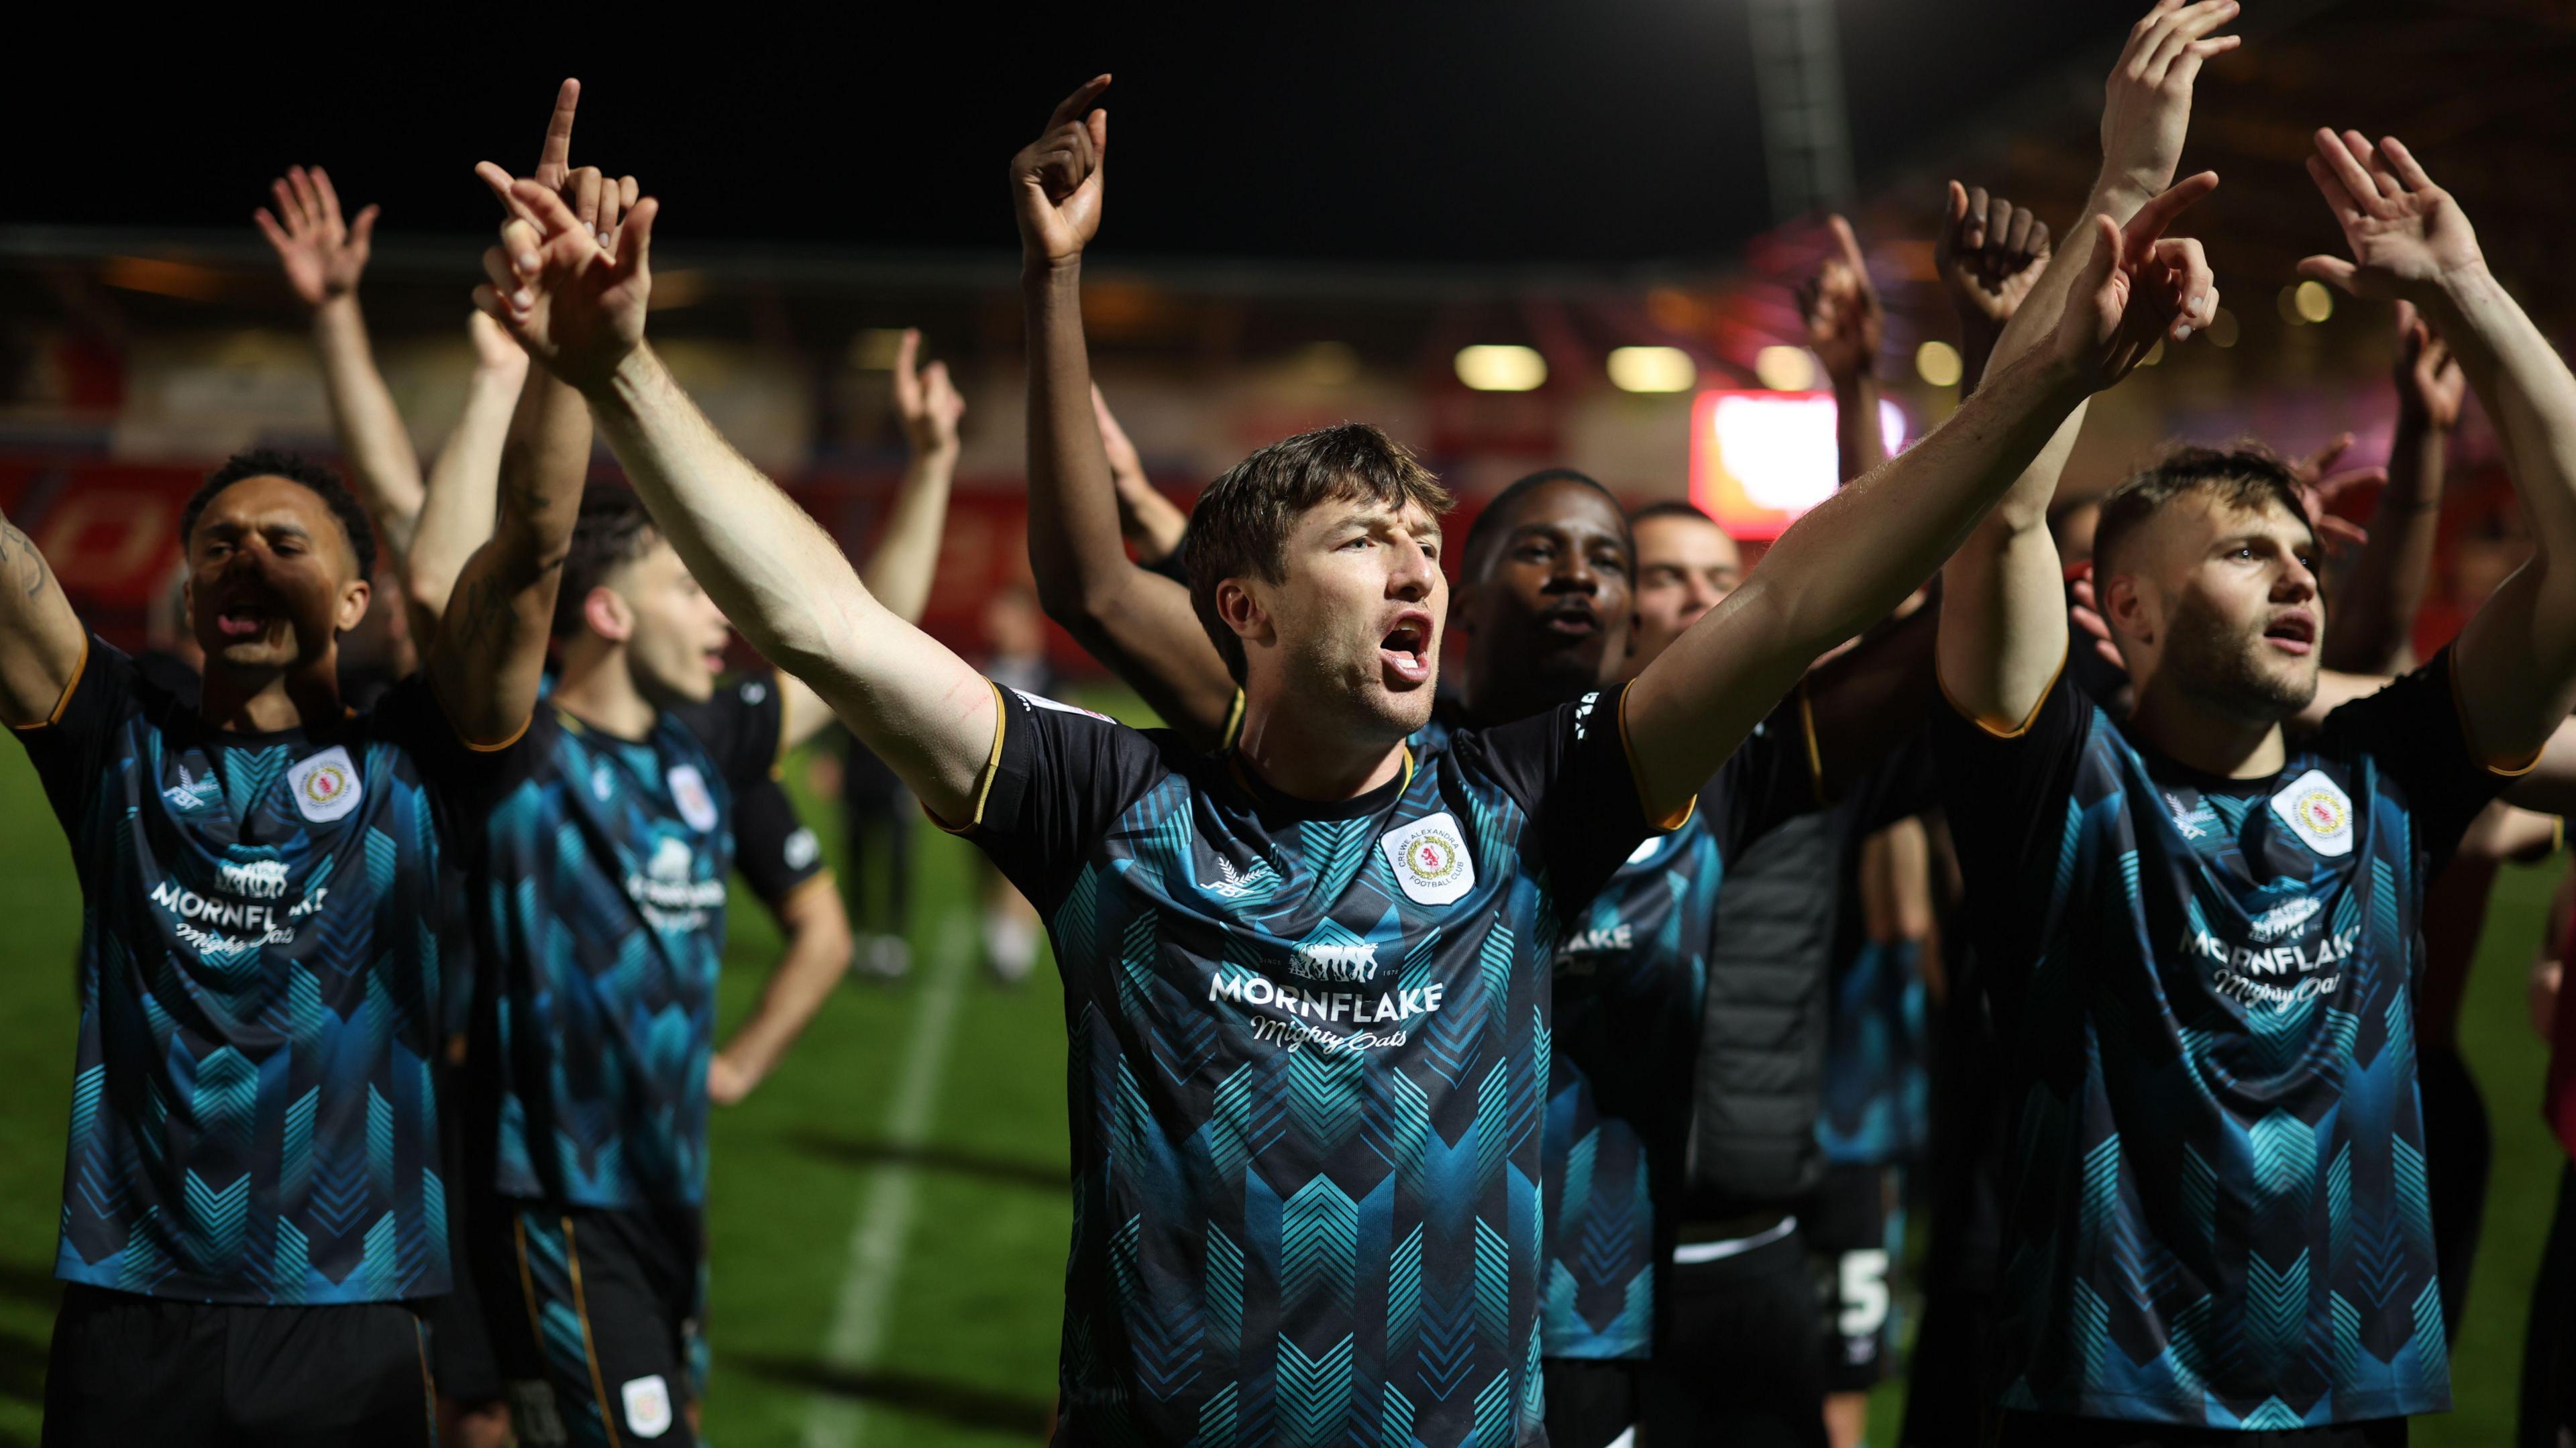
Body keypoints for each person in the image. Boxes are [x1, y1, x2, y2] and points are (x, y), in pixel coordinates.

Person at [471, 60, 2207, 1440]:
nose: (1415, 570)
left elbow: (1800, 598)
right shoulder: (1110, 808)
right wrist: (621, 373)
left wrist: (2053, 349)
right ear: (1239, 606)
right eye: (1365, 540)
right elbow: (832, 629)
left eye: (1423, 544)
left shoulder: (1530, 805)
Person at [1937, 0, 2576, 1432]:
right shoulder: (2057, 779)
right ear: (2131, 614)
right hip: (2103, 1404)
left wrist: (2469, 293)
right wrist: (2117, 188)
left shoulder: (2396, 773)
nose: (2296, 572)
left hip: (2351, 1402)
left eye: (2300, 553)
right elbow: (1997, 523)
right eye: (2244, 550)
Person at [7, 158, 581, 1439]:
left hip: (349, 1310)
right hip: (125, 1307)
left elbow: (533, 549)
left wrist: (564, 357)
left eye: (286, 541)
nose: (248, 557)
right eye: (219, 542)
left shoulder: (421, 759)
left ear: (361, 602)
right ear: (186, 594)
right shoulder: (116, 745)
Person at [256, 158, 536, 1448]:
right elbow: (410, 515)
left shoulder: (497, 706)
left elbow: (432, 546)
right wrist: (338, 320)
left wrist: (503, 378)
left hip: (519, 1087)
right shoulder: (421, 720)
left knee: (498, 1375)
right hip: (420, 1072)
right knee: (453, 1374)